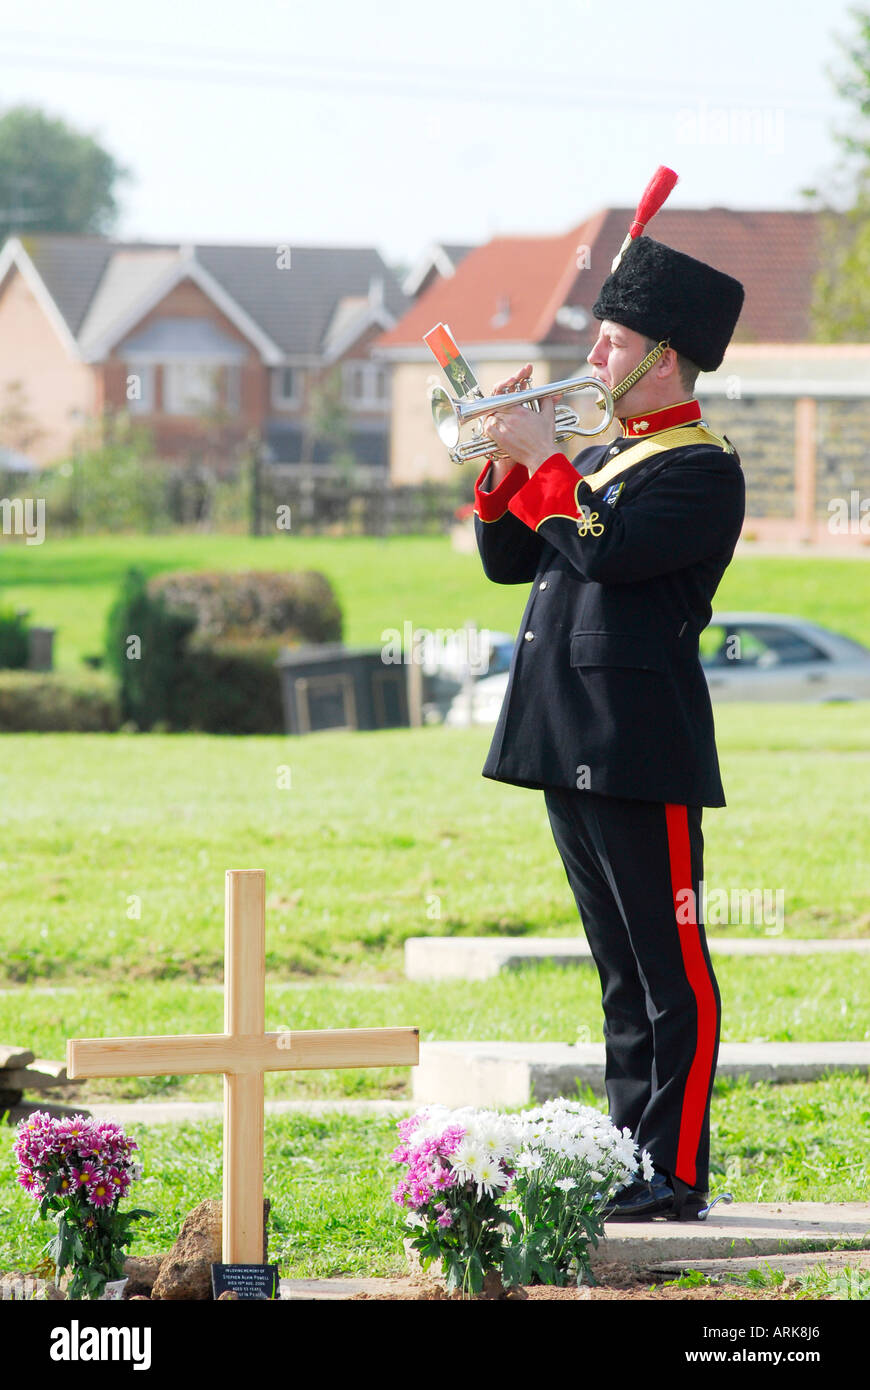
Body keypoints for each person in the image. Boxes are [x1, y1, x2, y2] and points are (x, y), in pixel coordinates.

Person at [472, 232, 745, 1220]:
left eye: (612, 342)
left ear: (662, 356)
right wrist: (506, 460)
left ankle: (673, 1170)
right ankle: (631, 1159)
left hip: (641, 745)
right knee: (620, 972)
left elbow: (606, 550)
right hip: (565, 736)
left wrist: (550, 460)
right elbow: (517, 561)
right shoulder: (603, 455)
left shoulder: (700, 469)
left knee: (673, 971)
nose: (594, 360)